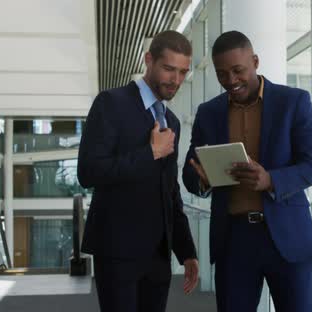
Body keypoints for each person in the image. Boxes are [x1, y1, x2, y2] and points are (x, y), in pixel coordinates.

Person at [182, 31, 312, 312]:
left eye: (238, 70)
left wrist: (271, 180)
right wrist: (202, 180)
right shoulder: (208, 112)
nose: (231, 81)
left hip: (286, 237)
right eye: (222, 74)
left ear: (255, 61)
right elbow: (190, 172)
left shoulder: (293, 102)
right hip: (233, 240)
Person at [77, 30, 199, 312]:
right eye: (169, 69)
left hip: (158, 254)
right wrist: (151, 153)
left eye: (183, 72)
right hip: (118, 249)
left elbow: (170, 190)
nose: (176, 80)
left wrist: (186, 251)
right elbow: (89, 171)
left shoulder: (172, 121)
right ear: (149, 60)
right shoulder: (111, 103)